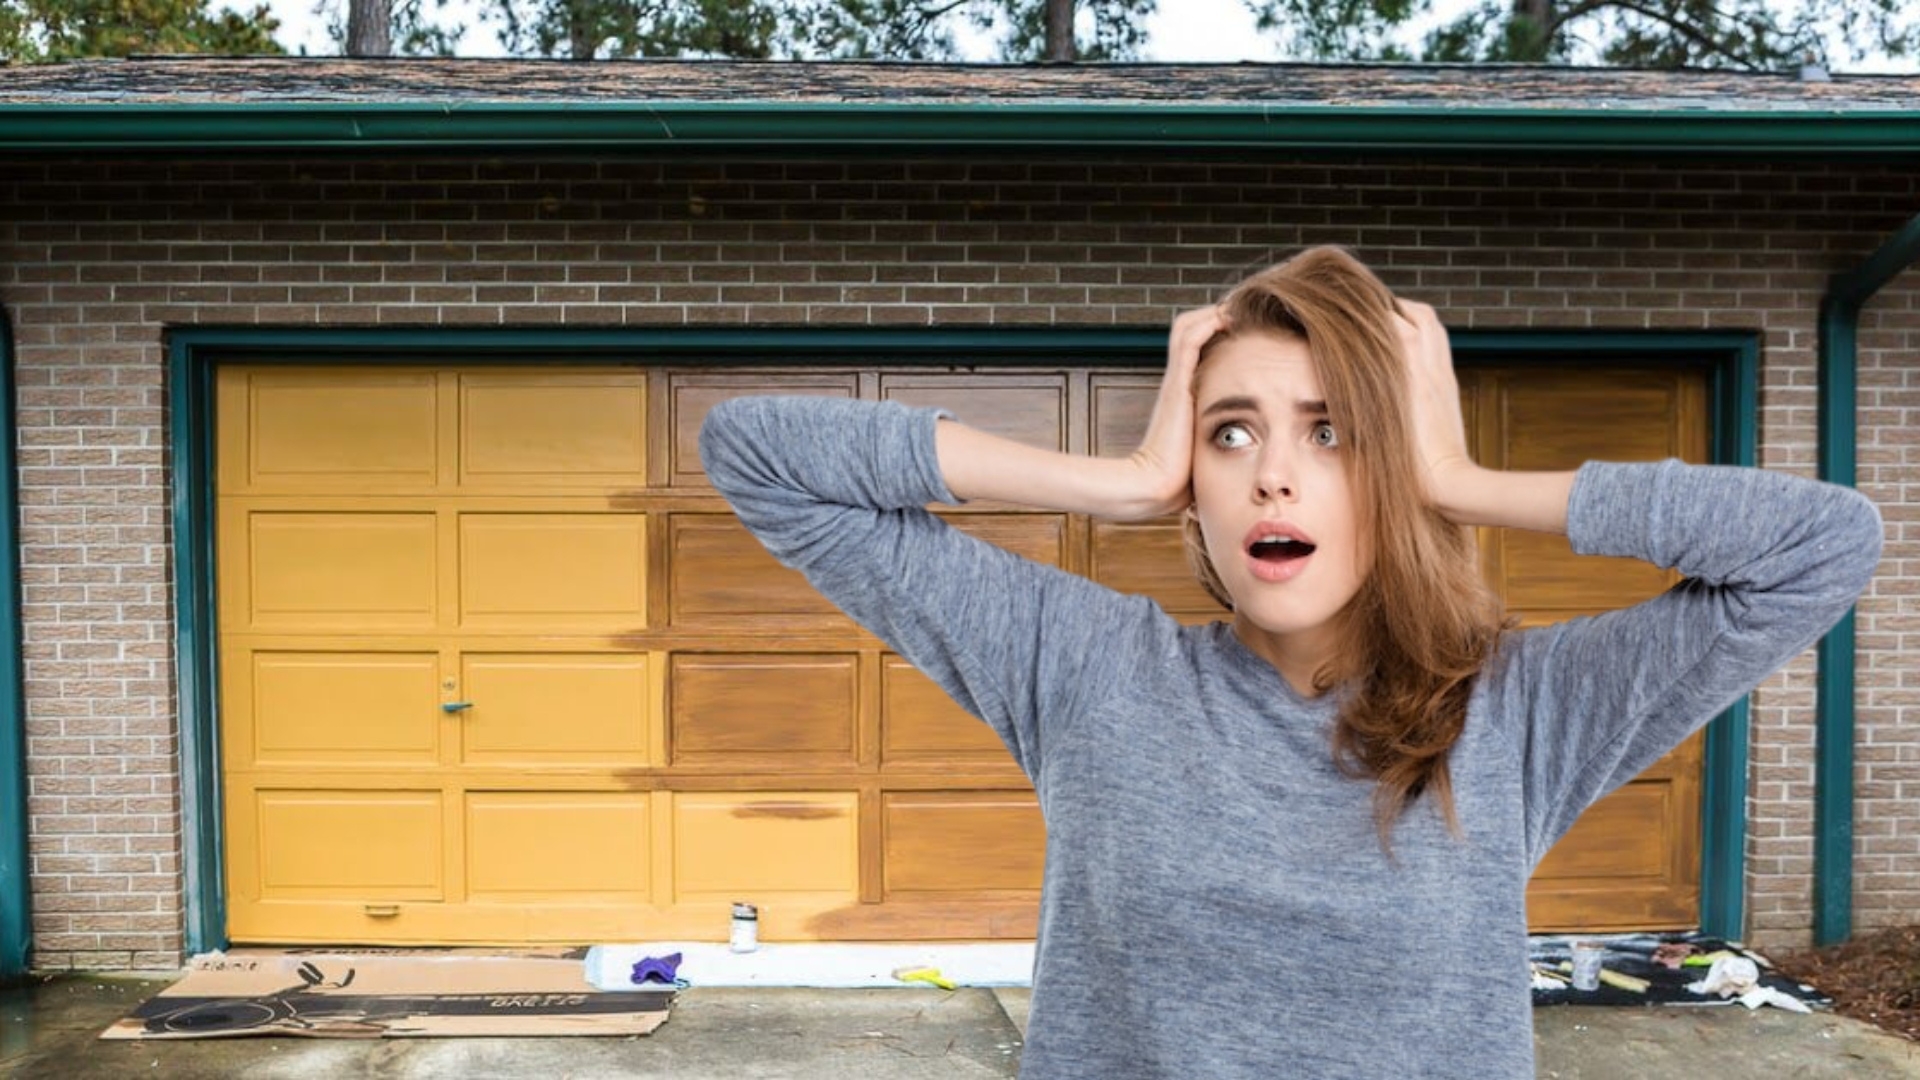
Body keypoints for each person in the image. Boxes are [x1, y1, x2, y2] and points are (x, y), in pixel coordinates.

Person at [698, 246, 1882, 1079]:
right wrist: (1121, 479)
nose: (1274, 472)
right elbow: (757, 453)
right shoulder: (1087, 668)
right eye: (1231, 432)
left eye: (1334, 431)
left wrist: (1457, 481)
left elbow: (1823, 546)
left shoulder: (1519, 709)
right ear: (1195, 485)